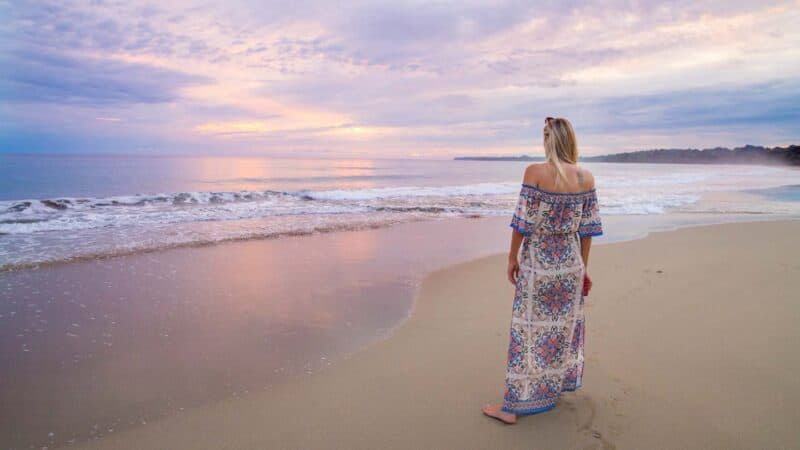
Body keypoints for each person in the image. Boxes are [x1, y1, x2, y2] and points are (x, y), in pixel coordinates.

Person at [482, 117, 603, 424]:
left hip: (539, 262)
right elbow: (587, 231)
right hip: (570, 263)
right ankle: (550, 389)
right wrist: (583, 269)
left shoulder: (535, 172)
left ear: (549, 140)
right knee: (560, 330)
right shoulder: (586, 178)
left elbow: (522, 221)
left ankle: (511, 409)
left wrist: (512, 258)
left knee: (528, 332)